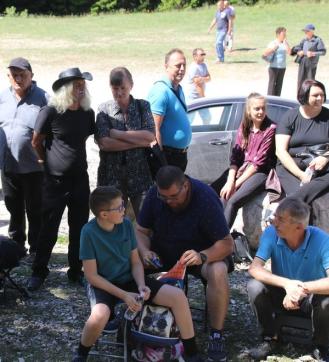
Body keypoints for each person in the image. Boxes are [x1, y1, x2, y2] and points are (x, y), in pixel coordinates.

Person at [72, 186, 204, 362]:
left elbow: (135, 261)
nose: (124, 209)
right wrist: (125, 296)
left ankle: (192, 353)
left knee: (178, 296)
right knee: (99, 316)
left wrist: (141, 284)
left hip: (129, 280)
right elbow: (91, 276)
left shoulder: (126, 224)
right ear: (104, 214)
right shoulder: (88, 232)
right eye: (119, 207)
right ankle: (81, 354)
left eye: (123, 204)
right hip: (103, 284)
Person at [135, 165, 234, 362]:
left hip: (200, 253)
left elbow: (227, 244)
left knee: (218, 271)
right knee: (131, 260)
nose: (169, 202)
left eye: (173, 196)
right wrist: (145, 252)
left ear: (185, 186)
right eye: (164, 198)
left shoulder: (205, 198)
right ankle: (136, 323)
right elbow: (140, 232)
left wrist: (203, 256)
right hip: (163, 251)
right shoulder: (155, 195)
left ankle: (216, 334)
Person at [27, 67, 95, 291]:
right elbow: (37, 141)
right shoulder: (50, 112)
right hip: (55, 181)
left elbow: (82, 138)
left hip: (80, 180)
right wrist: (44, 162)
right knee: (49, 227)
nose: (82, 87)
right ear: (67, 89)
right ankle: (39, 271)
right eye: (77, 84)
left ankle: (76, 271)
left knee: (79, 227)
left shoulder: (87, 113)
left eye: (83, 83)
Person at [247, 198, 329, 361]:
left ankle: (321, 346)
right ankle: (269, 339)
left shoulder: (321, 240)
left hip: (310, 298)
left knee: (326, 300)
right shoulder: (271, 232)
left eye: (280, 219)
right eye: (275, 216)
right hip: (282, 295)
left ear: (298, 227)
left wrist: (301, 289)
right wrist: (287, 284)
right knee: (254, 287)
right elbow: (254, 268)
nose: (274, 222)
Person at [0, 57, 49, 264]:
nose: (18, 79)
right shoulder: (2, 96)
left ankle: (36, 248)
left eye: (23, 75)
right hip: (8, 164)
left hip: (34, 165)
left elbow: (50, 131)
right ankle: (16, 246)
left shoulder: (43, 98)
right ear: (9, 76)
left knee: (35, 209)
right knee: (13, 207)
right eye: (14, 75)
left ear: (31, 76)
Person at [95, 67, 155, 221]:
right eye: (115, 89)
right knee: (111, 224)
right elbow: (104, 143)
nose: (119, 93)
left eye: (123, 88)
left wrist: (118, 134)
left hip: (140, 176)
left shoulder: (143, 107)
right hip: (111, 178)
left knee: (146, 221)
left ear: (131, 86)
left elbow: (149, 136)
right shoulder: (104, 110)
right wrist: (137, 142)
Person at [210, 93, 277, 228]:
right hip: (243, 167)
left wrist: (235, 185)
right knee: (211, 190)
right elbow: (236, 156)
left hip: (260, 172)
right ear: (248, 110)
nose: (260, 112)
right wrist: (230, 180)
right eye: (256, 109)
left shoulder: (271, 128)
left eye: (263, 108)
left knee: (233, 200)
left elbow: (258, 163)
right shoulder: (245, 126)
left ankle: (222, 239)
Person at [275, 79, 329, 205]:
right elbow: (280, 150)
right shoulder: (290, 117)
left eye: (322, 94)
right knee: (302, 205)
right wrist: (301, 175)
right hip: (291, 166)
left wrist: (325, 157)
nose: (320, 98)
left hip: (320, 165)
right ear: (304, 95)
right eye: (315, 95)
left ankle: (278, 211)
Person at [147, 48, 191, 172]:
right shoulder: (161, 91)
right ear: (166, 67)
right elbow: (154, 130)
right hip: (167, 156)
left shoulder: (178, 89)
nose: (182, 69)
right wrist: (162, 164)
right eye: (178, 65)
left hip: (179, 156)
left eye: (184, 65)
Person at [264, 27, 292, 97]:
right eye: (283, 34)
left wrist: (285, 43)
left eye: (285, 34)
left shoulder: (285, 43)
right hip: (273, 66)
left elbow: (289, 52)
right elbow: (265, 53)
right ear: (278, 35)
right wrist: (273, 48)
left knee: (279, 84)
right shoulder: (273, 43)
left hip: (282, 67)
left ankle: (277, 98)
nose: (285, 35)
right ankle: (270, 98)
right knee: (272, 84)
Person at [296, 24, 326, 89]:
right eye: (305, 31)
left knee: (310, 80)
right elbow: (299, 48)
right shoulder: (304, 40)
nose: (305, 33)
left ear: (312, 32)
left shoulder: (317, 40)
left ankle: (309, 94)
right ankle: (300, 94)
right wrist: (299, 52)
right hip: (303, 61)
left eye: (307, 31)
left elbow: (323, 52)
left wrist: (313, 53)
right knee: (300, 79)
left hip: (311, 62)